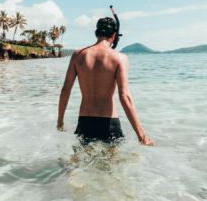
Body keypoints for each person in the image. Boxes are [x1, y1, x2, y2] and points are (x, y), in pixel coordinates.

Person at [57, 17, 153, 146]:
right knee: (112, 165)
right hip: (109, 123)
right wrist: (141, 135)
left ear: (96, 33)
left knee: (81, 164)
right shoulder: (119, 58)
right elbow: (125, 97)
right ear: (114, 35)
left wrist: (60, 122)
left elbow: (66, 89)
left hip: (85, 121)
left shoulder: (78, 55)